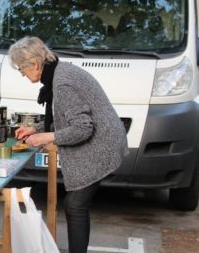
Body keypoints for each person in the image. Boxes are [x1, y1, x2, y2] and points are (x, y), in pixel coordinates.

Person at [10, 36, 128, 253]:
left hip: (103, 144)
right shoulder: (60, 71)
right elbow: (66, 117)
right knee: (76, 205)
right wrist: (37, 128)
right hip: (105, 140)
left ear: (35, 64)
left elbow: (83, 128)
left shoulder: (62, 82)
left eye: (21, 69)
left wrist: (46, 137)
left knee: (75, 205)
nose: (22, 74)